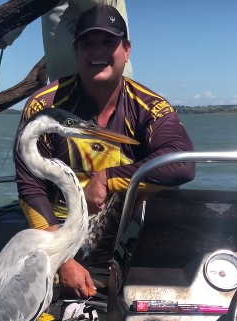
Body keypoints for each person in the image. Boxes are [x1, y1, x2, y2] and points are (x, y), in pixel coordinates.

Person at [12, 4, 196, 299]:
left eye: (108, 42)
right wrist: (62, 259)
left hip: (123, 226)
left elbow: (182, 164)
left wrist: (108, 177)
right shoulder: (44, 107)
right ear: (76, 51)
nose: (97, 52)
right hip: (59, 231)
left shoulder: (149, 106)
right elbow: (30, 186)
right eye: (88, 43)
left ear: (127, 50)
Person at [0, 0, 133, 83]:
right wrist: (6, 35)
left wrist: (6, 34)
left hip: (112, 77)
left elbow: (100, 5)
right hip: (63, 76)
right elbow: (23, 6)